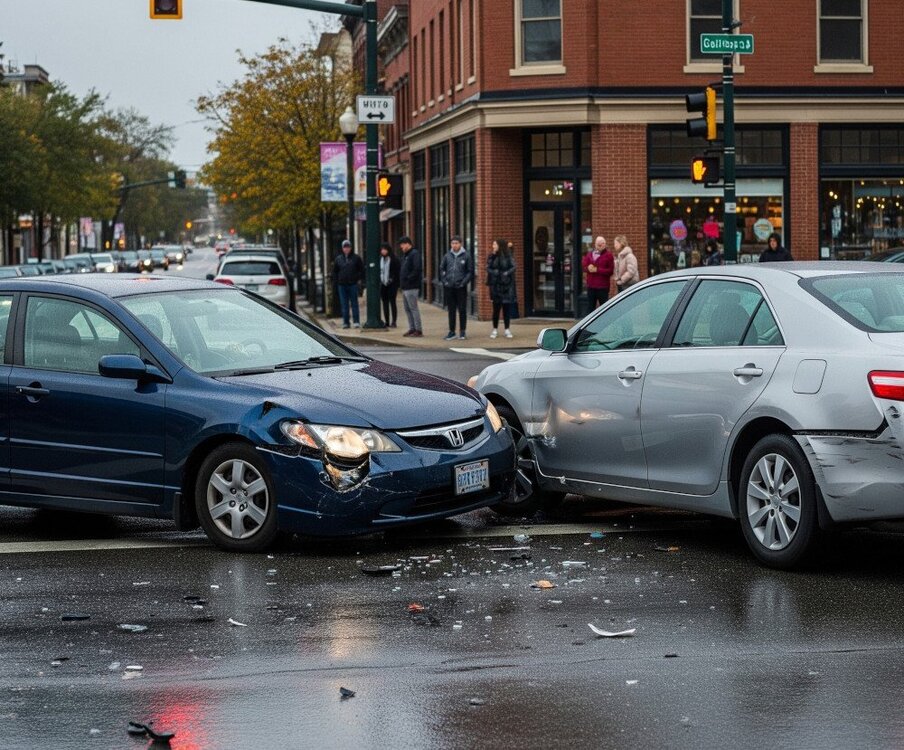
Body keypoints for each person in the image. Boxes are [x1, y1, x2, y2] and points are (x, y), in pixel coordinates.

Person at [440, 234, 472, 340]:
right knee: (451, 310)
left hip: (460, 287)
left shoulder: (466, 256)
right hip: (449, 287)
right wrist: (445, 281)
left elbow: (470, 272)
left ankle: (462, 331)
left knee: (462, 310)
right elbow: (442, 269)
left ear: (461, 244)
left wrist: (463, 283)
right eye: (452, 243)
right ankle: (452, 331)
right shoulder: (447, 256)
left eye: (456, 243)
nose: (454, 245)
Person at [486, 238, 517, 338]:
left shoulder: (508, 256)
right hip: (495, 285)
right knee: (496, 309)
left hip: (506, 285)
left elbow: (513, 267)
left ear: (500, 245)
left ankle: (507, 329)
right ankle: (494, 329)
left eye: (495, 244)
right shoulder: (492, 256)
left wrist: (506, 273)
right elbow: (488, 267)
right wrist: (494, 272)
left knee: (506, 309)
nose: (493, 246)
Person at [333, 239, 364, 329]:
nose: (346, 249)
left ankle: (356, 321)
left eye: (348, 247)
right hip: (342, 285)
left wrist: (357, 278)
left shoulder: (356, 258)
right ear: (342, 248)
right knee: (344, 304)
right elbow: (335, 271)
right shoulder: (338, 259)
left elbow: (361, 270)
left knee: (354, 303)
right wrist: (336, 282)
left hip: (352, 284)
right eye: (345, 247)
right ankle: (346, 322)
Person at [398, 236, 423, 337]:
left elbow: (417, 269)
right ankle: (412, 328)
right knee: (407, 309)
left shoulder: (414, 254)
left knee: (413, 308)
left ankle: (418, 329)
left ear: (408, 244)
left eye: (402, 245)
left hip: (412, 286)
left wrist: (409, 278)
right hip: (405, 287)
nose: (401, 247)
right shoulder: (406, 255)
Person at [581, 235, 615, 309]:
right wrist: (588, 268)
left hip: (602, 287)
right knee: (590, 308)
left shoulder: (609, 255)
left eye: (602, 243)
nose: (599, 245)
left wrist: (597, 270)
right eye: (598, 243)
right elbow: (584, 266)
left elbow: (610, 271)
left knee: (604, 309)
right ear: (595, 244)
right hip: (591, 286)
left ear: (605, 244)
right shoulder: (589, 254)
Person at [378, 242, 400, 328]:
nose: (383, 251)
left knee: (392, 302)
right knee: (385, 302)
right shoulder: (380, 259)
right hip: (383, 283)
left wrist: (394, 280)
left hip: (392, 284)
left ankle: (394, 321)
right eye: (382, 249)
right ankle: (386, 321)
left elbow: (397, 271)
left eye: (385, 249)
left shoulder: (394, 259)